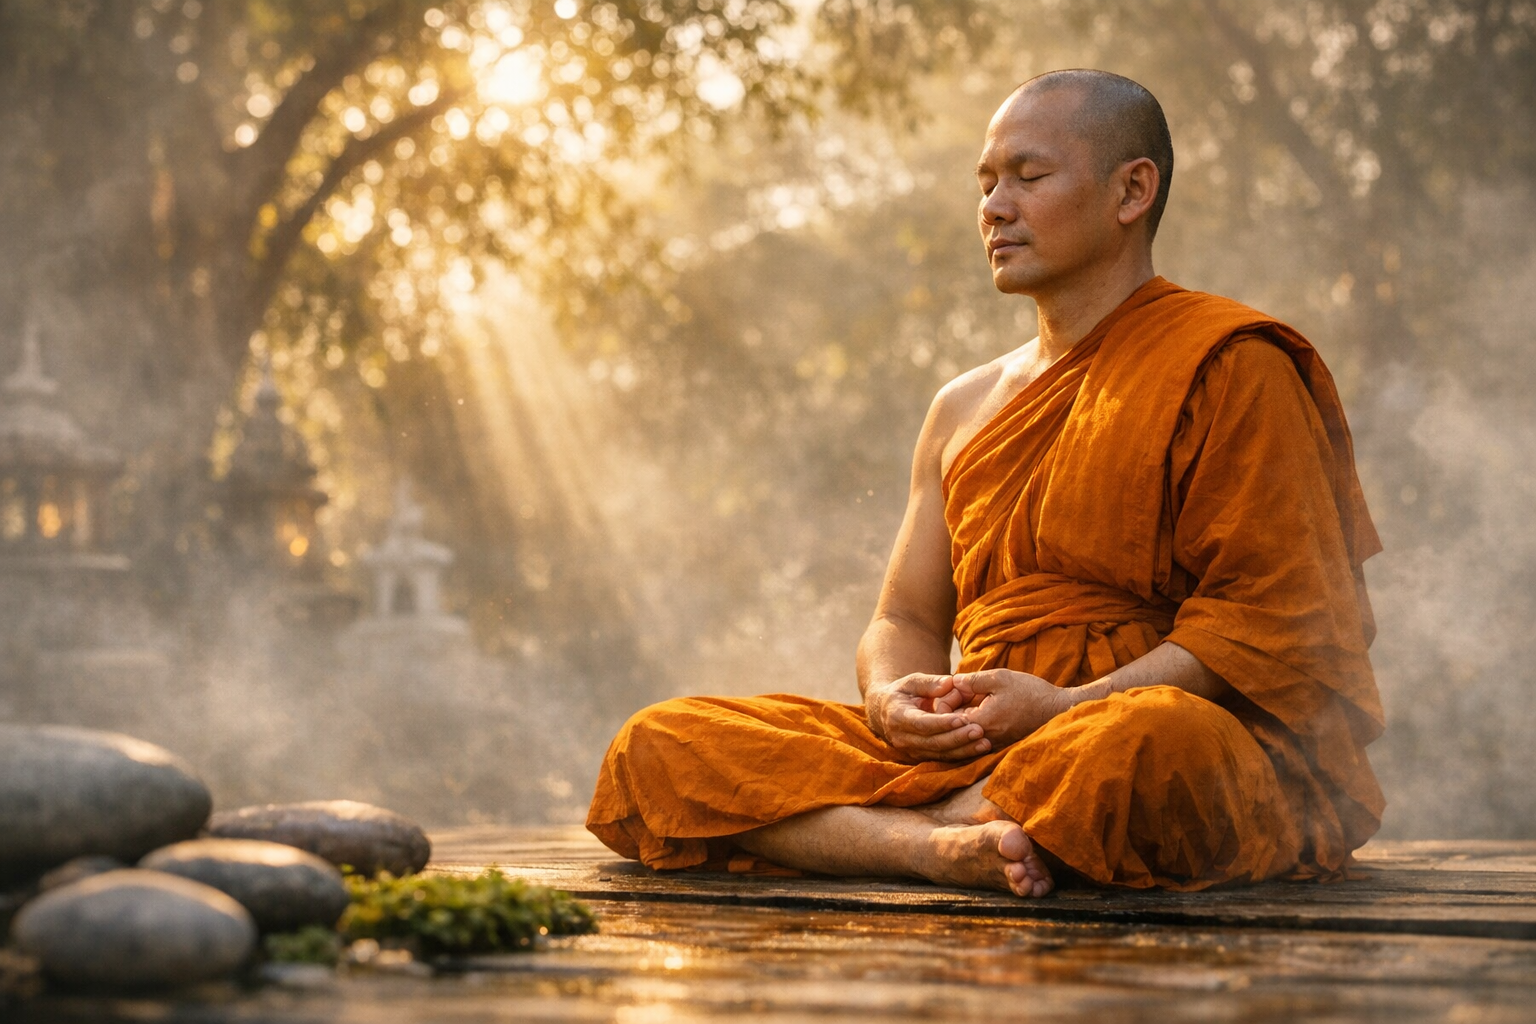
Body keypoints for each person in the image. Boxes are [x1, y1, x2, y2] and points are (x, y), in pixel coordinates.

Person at [586, 69, 1385, 897]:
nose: (994, 208)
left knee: (1141, 748)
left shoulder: (1232, 365)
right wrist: (893, 698)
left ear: (1131, 191)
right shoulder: (961, 405)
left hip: (1134, 729)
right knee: (662, 741)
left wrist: (1065, 705)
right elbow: (904, 616)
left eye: (1029, 177)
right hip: (976, 742)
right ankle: (936, 844)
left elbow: (1265, 623)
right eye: (987, 182)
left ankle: (886, 832)